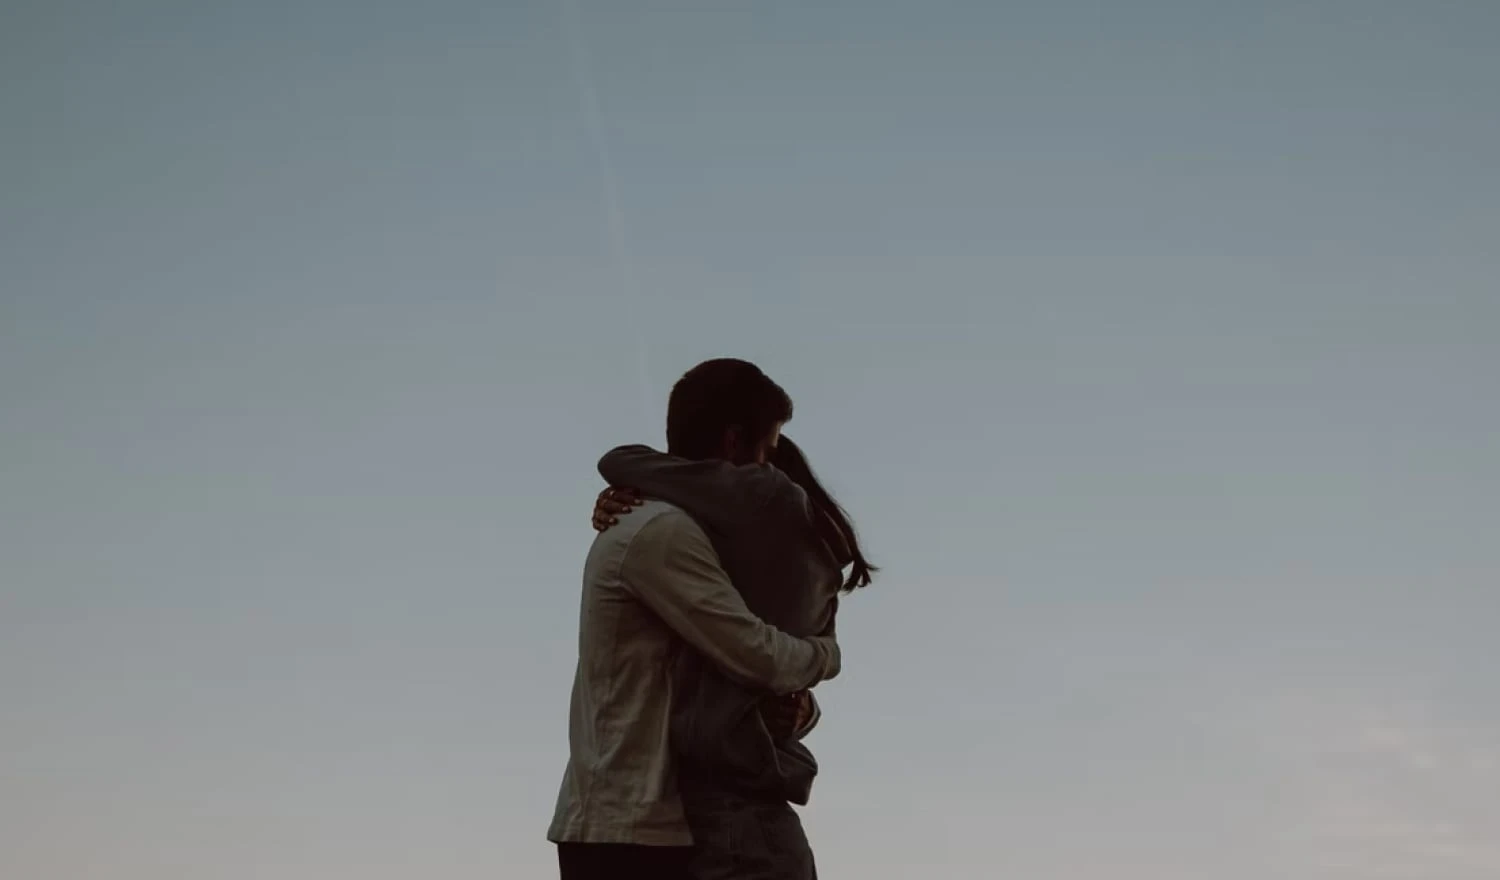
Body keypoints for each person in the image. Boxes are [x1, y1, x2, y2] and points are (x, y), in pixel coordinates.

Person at [547, 359, 843, 880]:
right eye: (769, 449)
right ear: (733, 443)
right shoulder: (662, 532)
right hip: (629, 824)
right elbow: (756, 656)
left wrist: (800, 709)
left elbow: (721, 667)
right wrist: (826, 655)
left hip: (643, 819)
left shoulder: (673, 529)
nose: (771, 470)